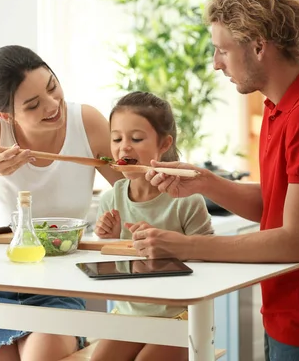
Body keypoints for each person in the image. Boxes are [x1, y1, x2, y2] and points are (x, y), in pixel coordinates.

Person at [134, 0, 299, 361]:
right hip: (291, 305)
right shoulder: (283, 106)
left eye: (222, 50)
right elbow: (279, 204)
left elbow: (294, 241)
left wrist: (186, 246)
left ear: (259, 46)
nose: (215, 63)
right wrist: (205, 182)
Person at [0, 45, 122, 361]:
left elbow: (132, 191)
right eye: (33, 105)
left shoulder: (86, 122)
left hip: (57, 285)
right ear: (5, 113)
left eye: (52, 87)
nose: (52, 105)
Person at [89, 91, 213, 361]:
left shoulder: (186, 199)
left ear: (164, 143)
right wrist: (108, 243)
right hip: (128, 315)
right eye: (116, 138)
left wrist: (172, 246)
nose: (124, 147)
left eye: (136, 139)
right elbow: (112, 269)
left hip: (180, 317)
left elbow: (210, 261)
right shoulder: (112, 198)